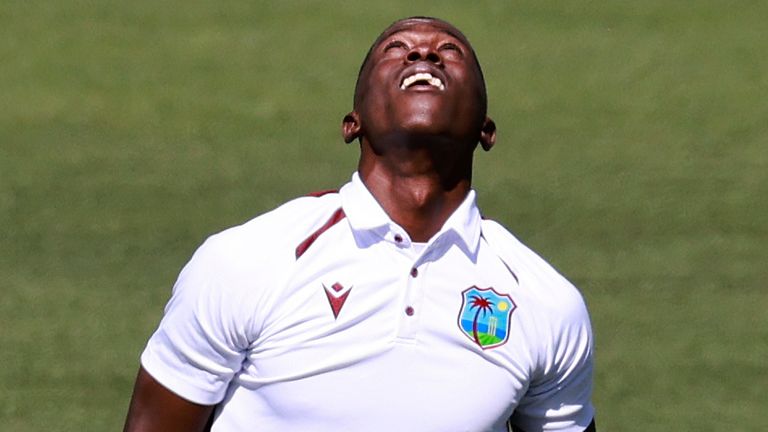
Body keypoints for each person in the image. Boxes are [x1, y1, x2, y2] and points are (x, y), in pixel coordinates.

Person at [123, 16, 596, 432]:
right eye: (396, 50)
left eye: (450, 52)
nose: (423, 52)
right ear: (353, 124)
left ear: (486, 131)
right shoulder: (249, 260)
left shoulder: (544, 303)